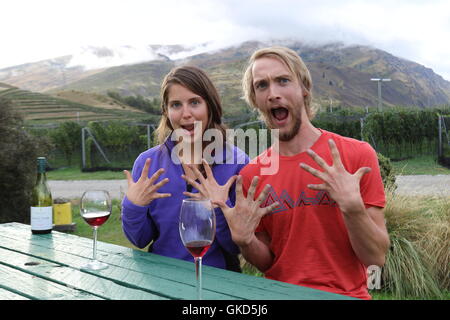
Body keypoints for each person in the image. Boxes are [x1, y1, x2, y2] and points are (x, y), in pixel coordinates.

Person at [212, 46, 390, 299]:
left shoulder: (356, 156)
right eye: (261, 85)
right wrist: (245, 241)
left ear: (304, 88)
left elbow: (376, 258)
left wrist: (353, 208)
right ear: (255, 100)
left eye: (283, 81)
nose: (273, 93)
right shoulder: (253, 175)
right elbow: (268, 262)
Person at [121, 66, 248, 272]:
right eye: (176, 104)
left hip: (218, 283)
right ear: (166, 111)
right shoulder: (147, 163)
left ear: (211, 106)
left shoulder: (238, 163)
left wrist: (219, 209)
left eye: (195, 102)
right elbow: (139, 239)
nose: (186, 114)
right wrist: (134, 206)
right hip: (162, 280)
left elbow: (236, 247)